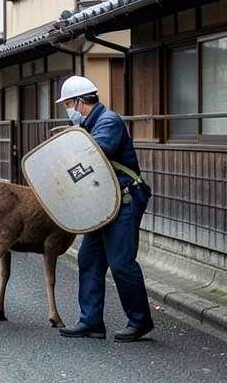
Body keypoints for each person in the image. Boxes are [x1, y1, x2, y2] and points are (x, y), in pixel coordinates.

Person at [55, 76, 154, 342]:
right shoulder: (89, 124)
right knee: (89, 260)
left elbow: (94, 154)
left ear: (79, 101)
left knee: (121, 263)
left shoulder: (108, 121)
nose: (67, 109)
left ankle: (140, 321)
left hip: (124, 201)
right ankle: (91, 322)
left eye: (67, 104)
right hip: (104, 203)